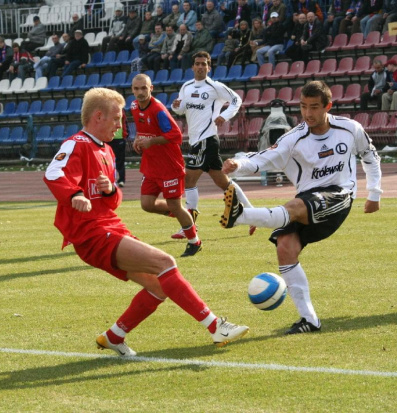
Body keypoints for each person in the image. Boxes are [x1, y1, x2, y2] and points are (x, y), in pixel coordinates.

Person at [43, 87, 249, 357]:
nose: (121, 125)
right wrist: (75, 194)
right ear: (98, 117)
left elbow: (114, 202)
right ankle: (215, 326)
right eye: (117, 118)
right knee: (166, 263)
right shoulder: (77, 144)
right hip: (90, 233)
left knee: (158, 285)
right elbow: (53, 172)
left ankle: (114, 336)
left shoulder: (106, 151)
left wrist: (108, 191)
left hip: (108, 226)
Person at [221, 80, 383, 334]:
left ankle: (240, 216)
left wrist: (374, 192)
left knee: (294, 206)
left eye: (315, 107)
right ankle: (309, 320)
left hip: (339, 196)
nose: (308, 114)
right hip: (308, 198)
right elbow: (265, 157)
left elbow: (370, 156)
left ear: (328, 106)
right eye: (304, 107)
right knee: (285, 248)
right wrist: (238, 165)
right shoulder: (295, 137)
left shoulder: (350, 129)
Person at [171, 51, 254, 240]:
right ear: (192, 67)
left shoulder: (215, 87)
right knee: (223, 182)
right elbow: (181, 109)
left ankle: (189, 227)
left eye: (204, 64)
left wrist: (224, 116)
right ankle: (253, 215)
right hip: (197, 140)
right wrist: (176, 106)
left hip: (206, 140)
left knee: (189, 180)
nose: (200, 67)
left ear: (209, 67)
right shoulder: (186, 86)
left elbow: (236, 100)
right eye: (197, 63)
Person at [131, 74, 202, 257]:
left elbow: (176, 135)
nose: (140, 92)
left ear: (151, 88)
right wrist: (138, 140)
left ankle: (194, 241)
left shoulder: (158, 110)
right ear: (132, 89)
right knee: (147, 204)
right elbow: (144, 130)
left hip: (169, 166)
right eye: (136, 89)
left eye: (143, 88)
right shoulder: (133, 106)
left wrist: (152, 142)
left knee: (175, 206)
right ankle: (182, 215)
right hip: (151, 165)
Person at [109, 107, 128, 187]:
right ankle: (109, 180)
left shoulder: (121, 110)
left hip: (119, 138)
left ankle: (121, 180)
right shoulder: (105, 110)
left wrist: (125, 134)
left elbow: (125, 122)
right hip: (107, 138)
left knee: (120, 161)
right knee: (107, 161)